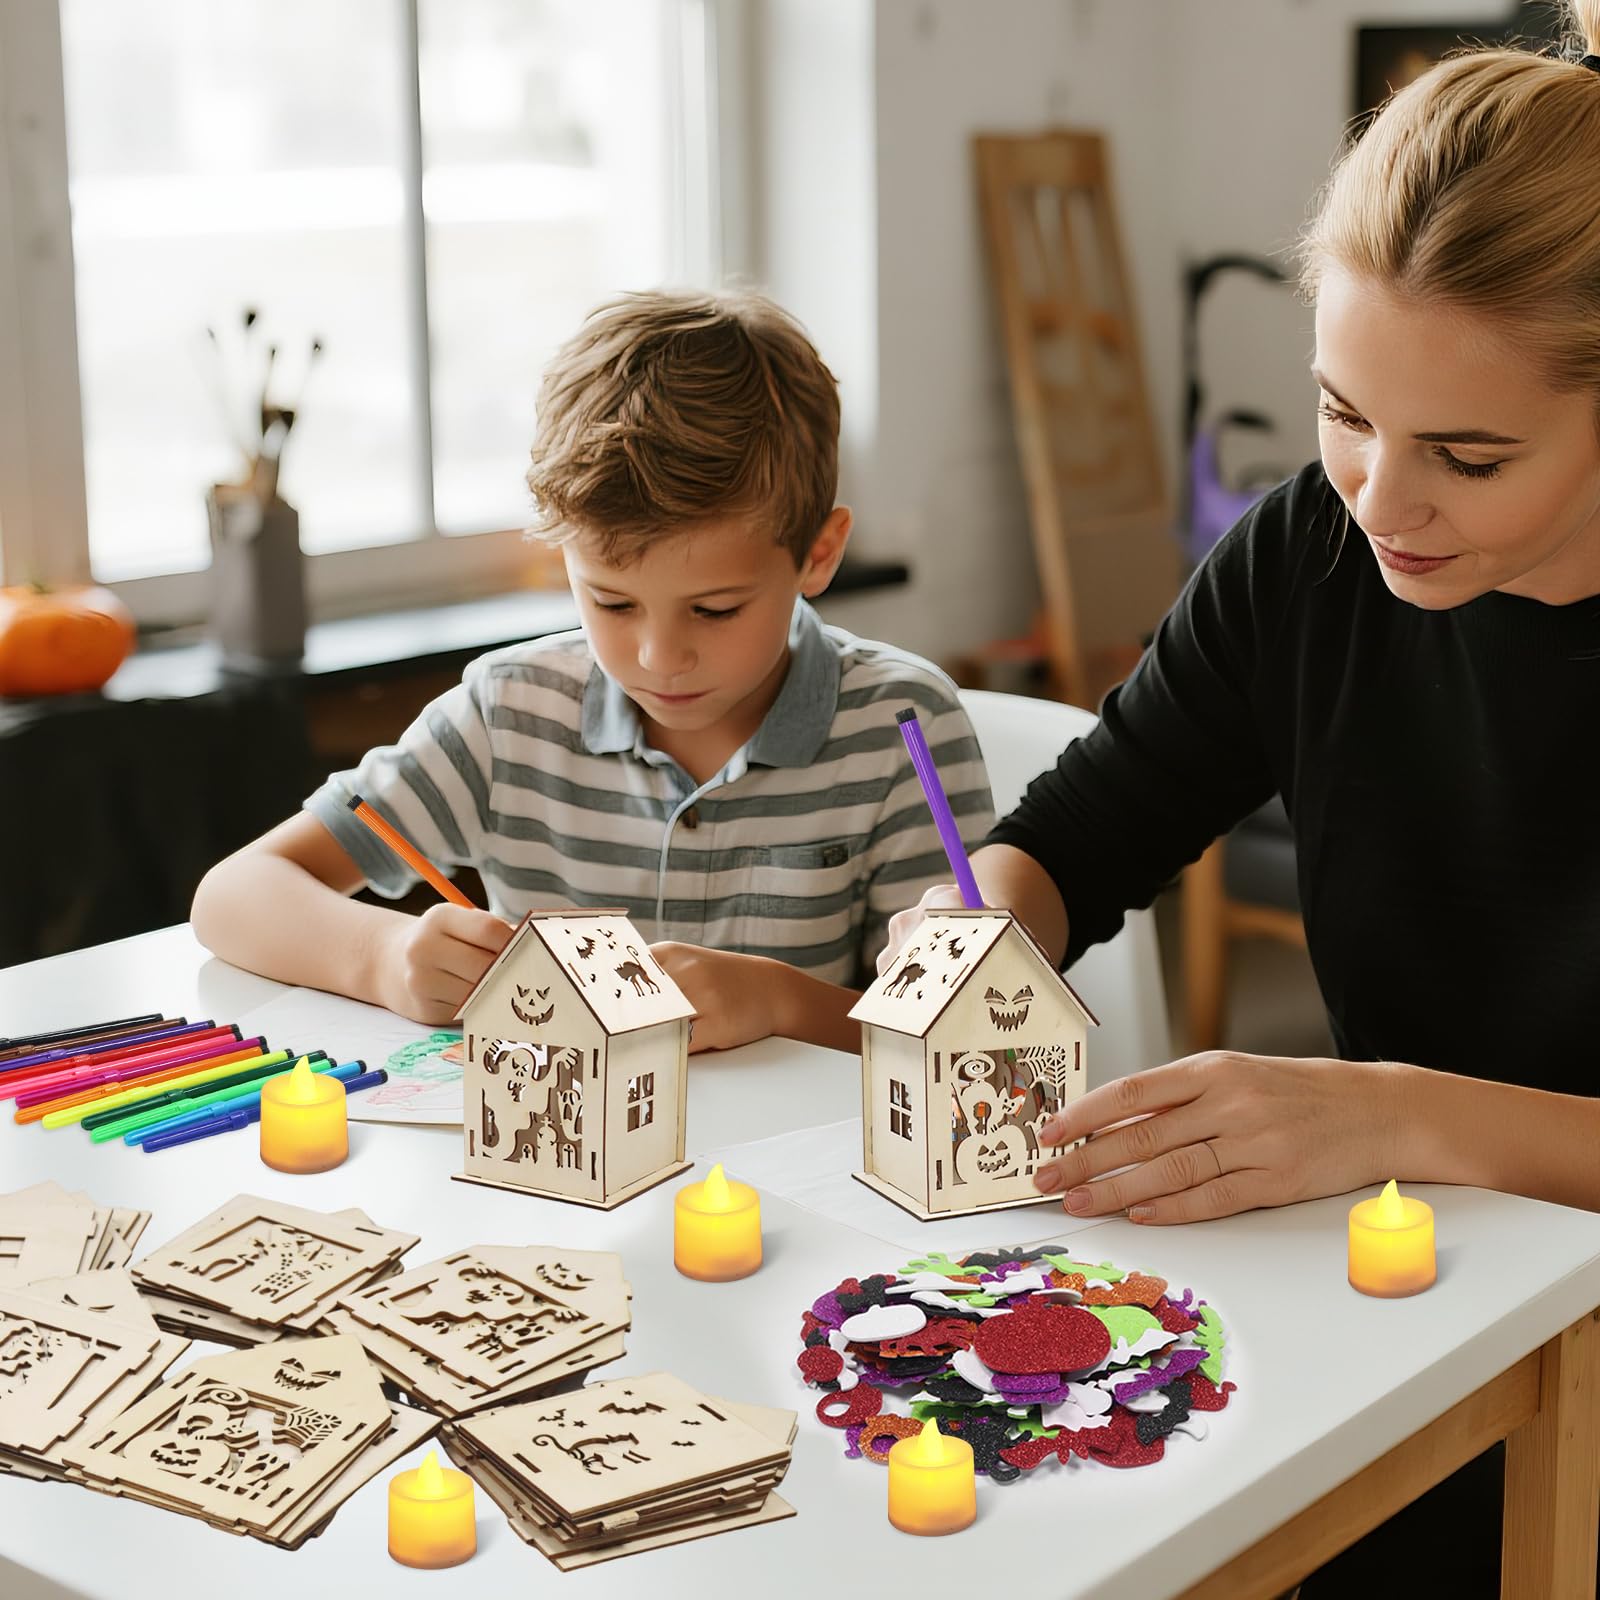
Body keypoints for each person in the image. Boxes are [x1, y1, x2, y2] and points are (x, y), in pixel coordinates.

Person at [879, 12, 1600, 1589]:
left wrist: (1396, 1110)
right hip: (1425, 1292)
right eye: (1344, 411)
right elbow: (1079, 832)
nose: (1381, 502)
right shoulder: (1310, 556)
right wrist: (978, 936)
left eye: (1469, 457)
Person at [192, 289, 992, 1052]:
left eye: (713, 610)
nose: (657, 658)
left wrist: (780, 1003)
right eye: (611, 603)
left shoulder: (902, 728)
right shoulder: (511, 715)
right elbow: (233, 895)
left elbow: (969, 1035)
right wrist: (385, 956)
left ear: (818, 553)